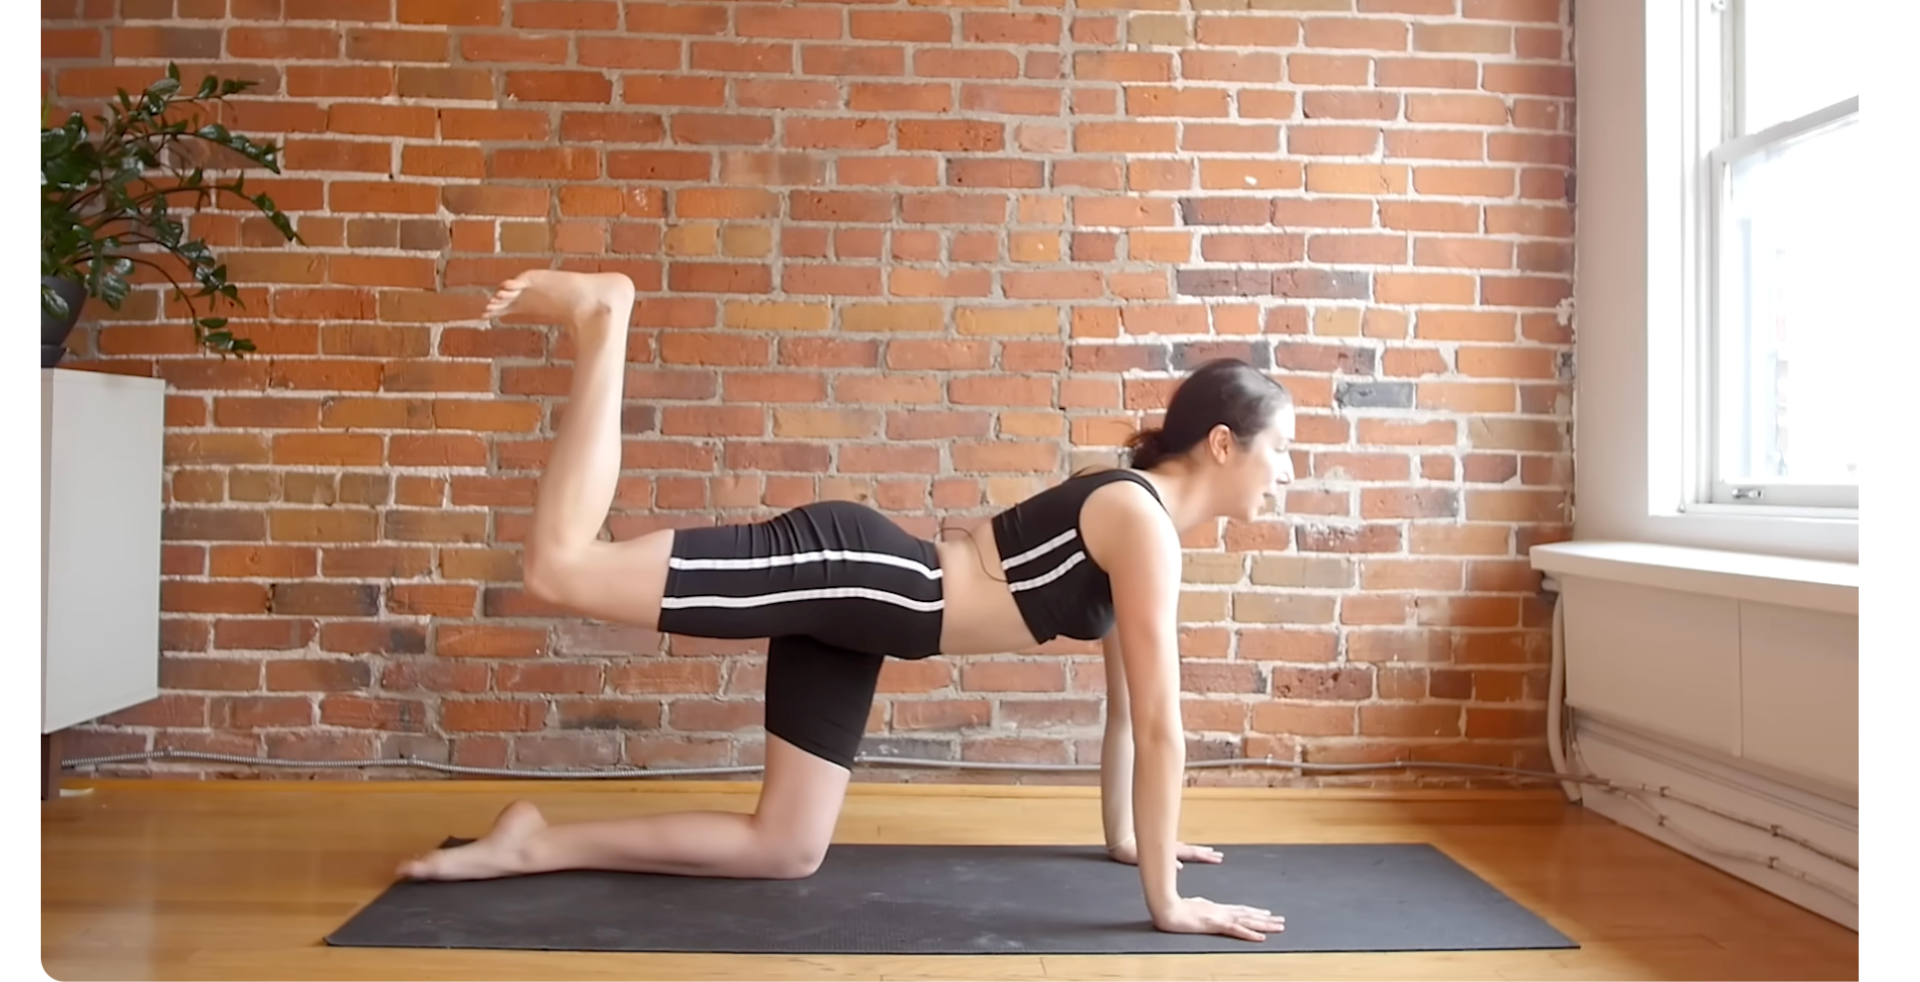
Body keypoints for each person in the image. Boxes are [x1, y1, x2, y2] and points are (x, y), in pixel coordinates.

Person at [397, 270, 1296, 943]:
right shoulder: (1138, 518)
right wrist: (1169, 908)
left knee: (785, 847)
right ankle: (604, 317)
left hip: (864, 619)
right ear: (1222, 445)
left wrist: (1132, 844)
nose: (1287, 474)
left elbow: (1130, 716)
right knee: (561, 569)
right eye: (1280, 452)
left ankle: (531, 845)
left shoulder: (1140, 519)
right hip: (858, 576)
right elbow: (1164, 725)